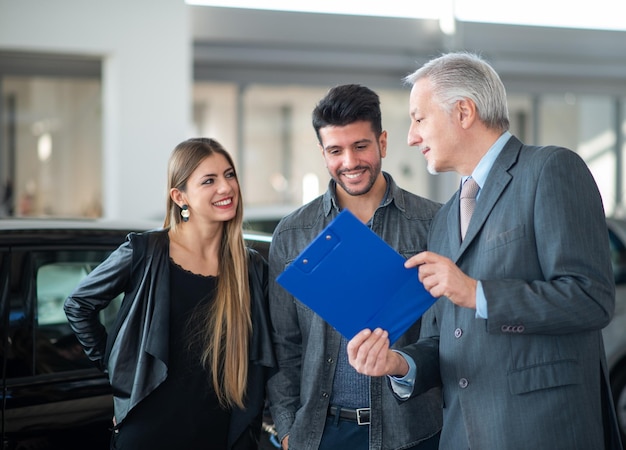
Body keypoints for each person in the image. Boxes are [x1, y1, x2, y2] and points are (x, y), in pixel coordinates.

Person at [347, 52, 623, 450]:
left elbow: (591, 298)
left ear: (463, 111)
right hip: (464, 435)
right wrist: (397, 363)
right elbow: (445, 339)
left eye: (419, 118)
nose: (411, 137)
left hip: (542, 432)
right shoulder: (443, 220)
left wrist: (477, 292)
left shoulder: (549, 169)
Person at [64, 137, 275, 450]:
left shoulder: (250, 266)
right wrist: (119, 371)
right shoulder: (146, 251)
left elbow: (272, 346)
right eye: (209, 180)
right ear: (180, 196)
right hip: (150, 431)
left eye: (229, 175)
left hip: (218, 433)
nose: (225, 187)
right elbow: (78, 305)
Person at [267, 84, 442, 450]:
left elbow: (450, 338)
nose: (349, 162)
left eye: (360, 146)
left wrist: (401, 362)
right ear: (323, 152)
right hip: (322, 434)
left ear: (383, 142)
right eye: (335, 150)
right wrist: (287, 431)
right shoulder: (294, 233)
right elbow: (284, 345)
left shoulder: (432, 223)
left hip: (410, 434)